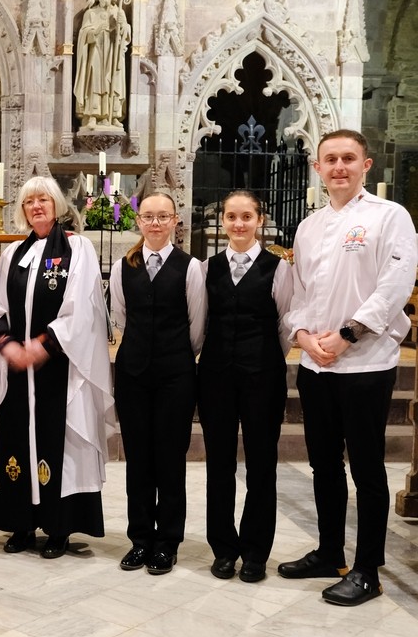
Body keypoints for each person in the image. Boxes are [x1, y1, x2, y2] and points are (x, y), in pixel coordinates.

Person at [279, 129, 418, 606]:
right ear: (317, 168)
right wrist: (301, 337)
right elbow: (299, 294)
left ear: (366, 165)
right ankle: (329, 551)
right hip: (317, 364)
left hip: (365, 363)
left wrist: (345, 336)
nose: (339, 166)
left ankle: (367, 570)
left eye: (348, 158)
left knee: (366, 467)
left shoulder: (389, 217)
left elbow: (395, 286)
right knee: (322, 465)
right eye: (330, 159)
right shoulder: (309, 225)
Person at [0, 176, 113, 559]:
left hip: (59, 368)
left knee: (60, 441)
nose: (36, 207)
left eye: (43, 200)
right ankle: (20, 523)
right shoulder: (13, 255)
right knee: (15, 438)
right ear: (22, 210)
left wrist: (42, 346)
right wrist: (8, 347)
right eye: (29, 202)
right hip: (16, 369)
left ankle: (58, 527)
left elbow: (81, 307)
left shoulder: (77, 249)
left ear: (56, 205)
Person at [197, 191, 292, 583]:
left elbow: (285, 324)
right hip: (216, 376)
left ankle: (255, 553)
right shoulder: (206, 267)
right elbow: (199, 323)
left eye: (246, 216)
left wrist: (263, 358)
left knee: (261, 465)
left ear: (260, 220)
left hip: (263, 377)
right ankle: (223, 548)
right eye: (232, 217)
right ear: (223, 221)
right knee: (218, 465)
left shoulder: (279, 268)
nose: (239, 224)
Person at [109, 191, 206, 575]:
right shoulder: (122, 267)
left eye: (162, 216)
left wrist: (174, 357)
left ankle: (167, 541)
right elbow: (119, 318)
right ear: (138, 221)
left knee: (169, 460)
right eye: (148, 216)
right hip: (133, 375)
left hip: (175, 376)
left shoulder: (191, 267)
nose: (154, 223)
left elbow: (196, 327)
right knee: (138, 460)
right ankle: (139, 540)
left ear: (174, 221)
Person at [73, 0, 131, 129]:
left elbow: (126, 35)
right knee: (95, 81)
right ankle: (93, 115)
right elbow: (83, 34)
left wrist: (123, 26)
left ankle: (114, 115)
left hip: (113, 53)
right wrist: (97, 30)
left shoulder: (118, 12)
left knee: (114, 81)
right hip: (96, 52)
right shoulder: (91, 13)